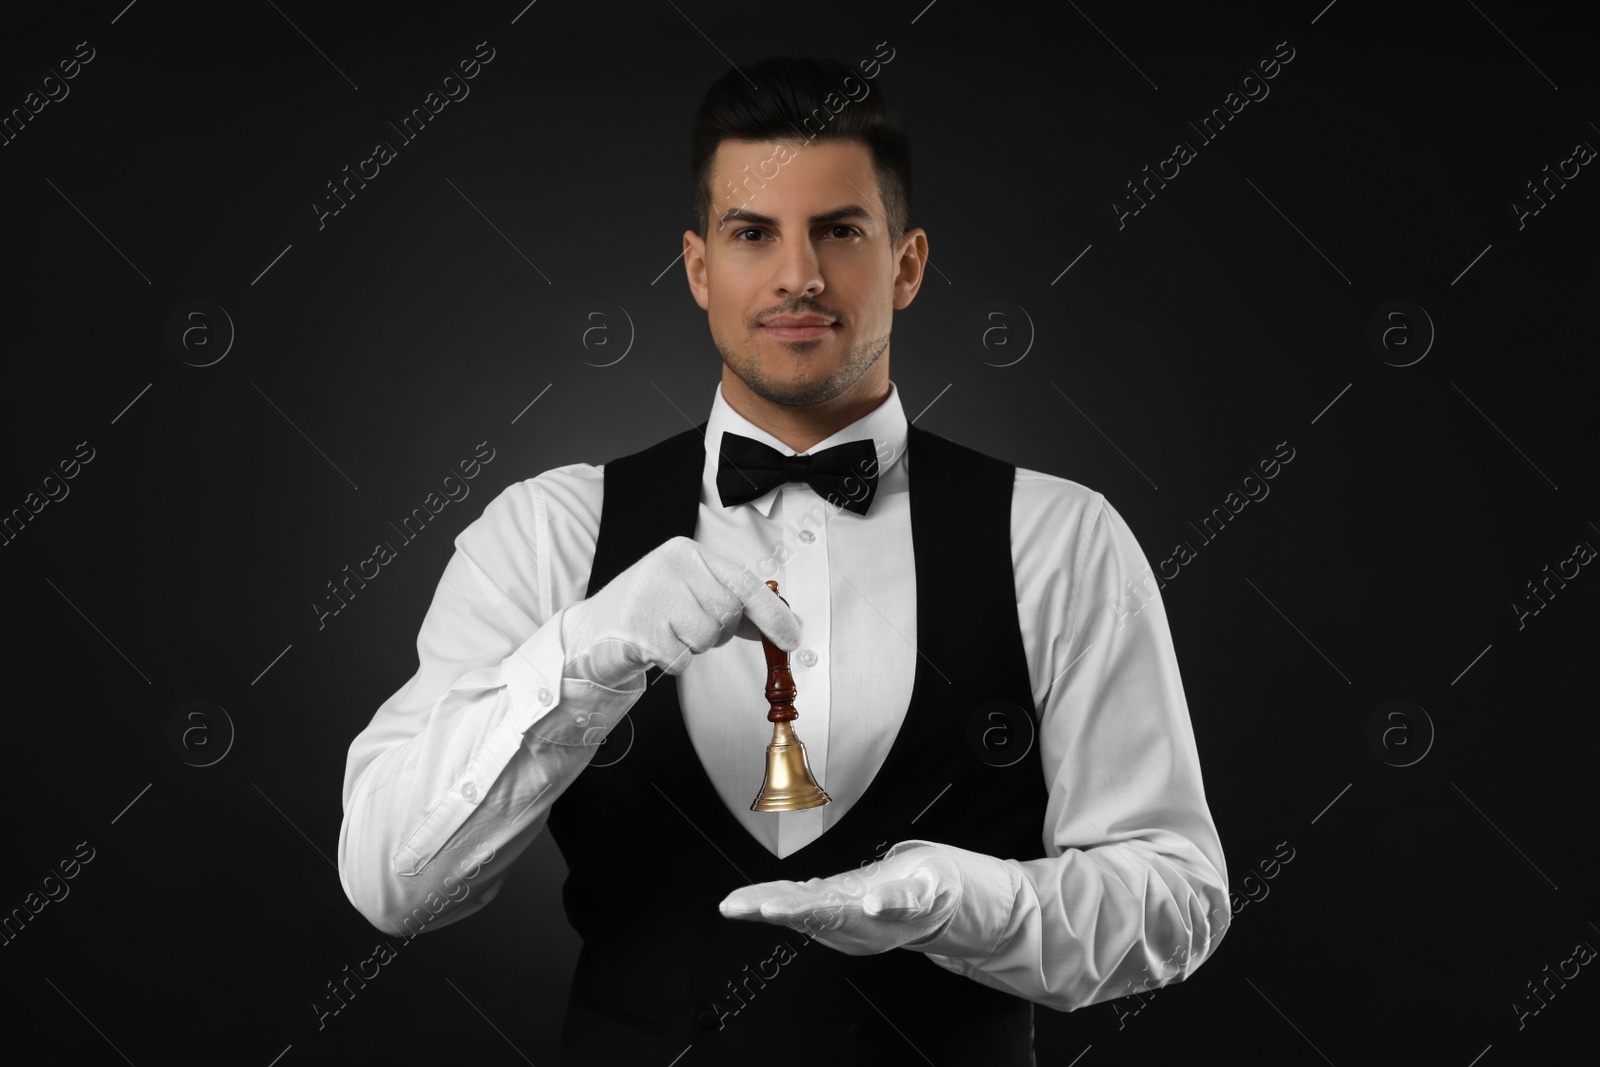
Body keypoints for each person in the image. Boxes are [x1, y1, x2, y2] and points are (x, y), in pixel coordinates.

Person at [337, 54, 1230, 1065]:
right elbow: (390, 882)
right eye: (751, 233)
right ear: (698, 267)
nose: (797, 273)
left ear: (906, 263)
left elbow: (1178, 896)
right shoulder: (545, 530)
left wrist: (962, 900)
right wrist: (586, 652)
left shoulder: (1060, 536)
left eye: (839, 230)